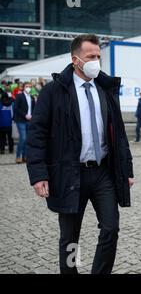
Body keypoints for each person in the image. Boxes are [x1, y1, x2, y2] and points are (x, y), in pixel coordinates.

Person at [26, 34, 134, 274]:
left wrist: (126, 170)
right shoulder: (54, 91)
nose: (96, 61)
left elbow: (119, 134)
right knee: (70, 236)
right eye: (90, 57)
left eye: (98, 56)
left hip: (103, 172)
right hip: (69, 173)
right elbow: (37, 135)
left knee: (110, 228)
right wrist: (38, 174)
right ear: (75, 59)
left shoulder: (105, 90)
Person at [13, 82, 35, 164]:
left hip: (29, 120)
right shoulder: (19, 96)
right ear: (23, 87)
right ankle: (18, 156)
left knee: (27, 139)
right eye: (27, 86)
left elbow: (34, 108)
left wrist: (32, 115)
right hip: (21, 120)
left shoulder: (32, 97)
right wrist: (25, 115)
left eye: (30, 86)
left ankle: (25, 156)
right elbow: (16, 108)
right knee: (23, 138)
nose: (28, 88)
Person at [0, 89, 14, 154]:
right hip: (9, 123)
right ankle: (11, 149)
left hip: (1, 123)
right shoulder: (11, 103)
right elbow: (12, 113)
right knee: (10, 137)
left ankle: (2, 149)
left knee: (2, 137)